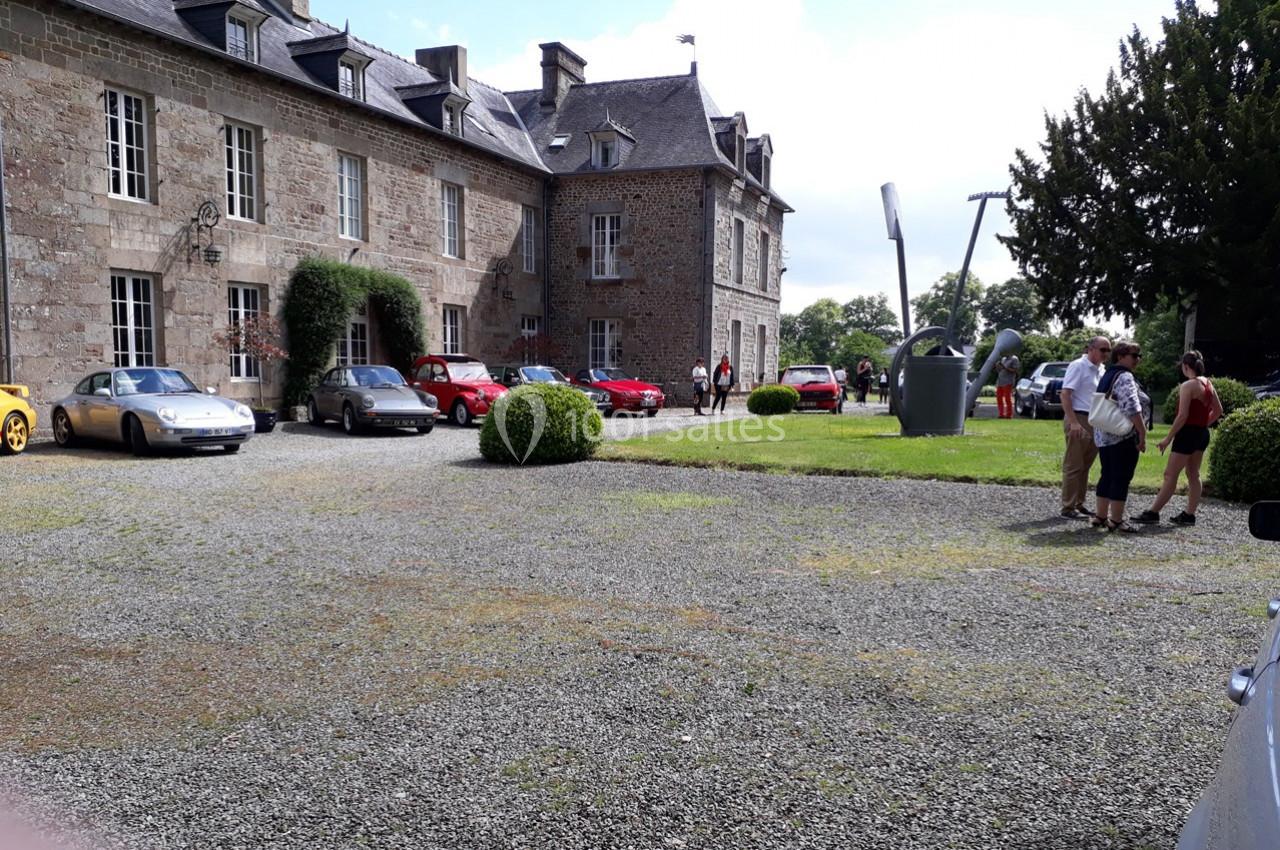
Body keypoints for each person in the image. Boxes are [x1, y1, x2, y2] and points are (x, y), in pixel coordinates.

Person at [1133, 351, 1222, 526]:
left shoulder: (1188, 386)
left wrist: (1167, 438)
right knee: (1193, 474)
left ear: (1185, 366)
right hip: (1202, 434)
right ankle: (1189, 514)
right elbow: (1218, 411)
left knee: (1170, 474)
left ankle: (1153, 512)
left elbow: (1182, 416)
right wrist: (1203, 424)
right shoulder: (1208, 384)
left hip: (1187, 434)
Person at [1092, 341, 1148, 533]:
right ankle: (1116, 520)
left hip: (1103, 435)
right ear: (1120, 356)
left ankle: (1100, 516)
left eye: (1139, 356)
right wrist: (1142, 432)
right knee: (1121, 477)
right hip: (1121, 436)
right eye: (1134, 356)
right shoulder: (1124, 376)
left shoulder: (1108, 374)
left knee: (1106, 474)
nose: (1137, 360)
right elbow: (1131, 406)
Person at [1058, 336, 1111, 519]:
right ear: (1090, 349)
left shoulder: (1101, 370)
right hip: (1079, 416)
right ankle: (1068, 507)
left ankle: (1079, 503)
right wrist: (1073, 421)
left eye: (1108, 351)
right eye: (1103, 350)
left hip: (1095, 420)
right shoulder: (1078, 366)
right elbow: (1065, 394)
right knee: (1074, 464)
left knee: (1085, 465)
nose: (1106, 354)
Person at [995, 352, 1021, 419]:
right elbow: (1000, 370)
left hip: (1008, 381)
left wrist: (1005, 367)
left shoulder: (1014, 358)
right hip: (1000, 381)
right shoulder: (1003, 359)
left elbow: (1016, 370)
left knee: (1007, 398)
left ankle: (1009, 415)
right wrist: (997, 366)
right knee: (999, 398)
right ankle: (1001, 414)